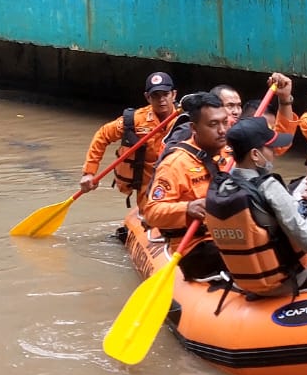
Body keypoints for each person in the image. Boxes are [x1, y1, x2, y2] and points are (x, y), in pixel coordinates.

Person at [205, 116, 307, 296]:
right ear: (255, 154)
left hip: (246, 281)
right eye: (269, 147)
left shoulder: (221, 187)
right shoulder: (268, 187)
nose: (275, 152)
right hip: (285, 280)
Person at [144, 93, 231, 280]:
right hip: (196, 247)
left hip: (229, 235)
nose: (223, 130)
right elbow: (151, 212)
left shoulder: (230, 153)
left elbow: (273, 147)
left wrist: (284, 100)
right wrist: (188, 208)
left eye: (225, 122)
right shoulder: (175, 164)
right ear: (194, 128)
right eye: (213, 125)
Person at [80, 70, 176, 215]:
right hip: (148, 187)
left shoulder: (186, 120)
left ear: (174, 95)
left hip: (177, 182)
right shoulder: (136, 120)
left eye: (165, 94)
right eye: (155, 95)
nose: (161, 99)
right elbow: (102, 135)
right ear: (147, 98)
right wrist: (89, 172)